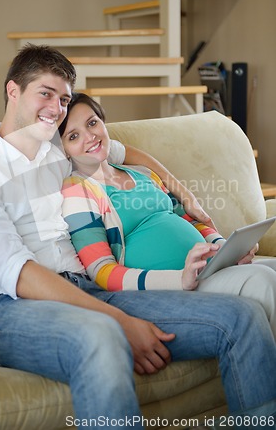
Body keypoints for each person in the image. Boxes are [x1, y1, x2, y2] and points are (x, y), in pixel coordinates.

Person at [0, 45, 276, 430]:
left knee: (243, 318)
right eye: (45, 93)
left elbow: (125, 151)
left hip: (90, 291)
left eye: (64, 99)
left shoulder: (59, 150)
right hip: (8, 309)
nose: (56, 107)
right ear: (13, 91)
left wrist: (187, 197)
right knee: (102, 335)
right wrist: (119, 320)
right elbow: (17, 273)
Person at [60, 93, 276, 339]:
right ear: (65, 151)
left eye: (92, 123)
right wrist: (179, 279)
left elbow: (186, 218)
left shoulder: (140, 172)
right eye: (73, 136)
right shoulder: (78, 191)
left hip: (207, 268)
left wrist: (224, 247)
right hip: (173, 287)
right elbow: (101, 271)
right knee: (263, 281)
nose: (90, 137)